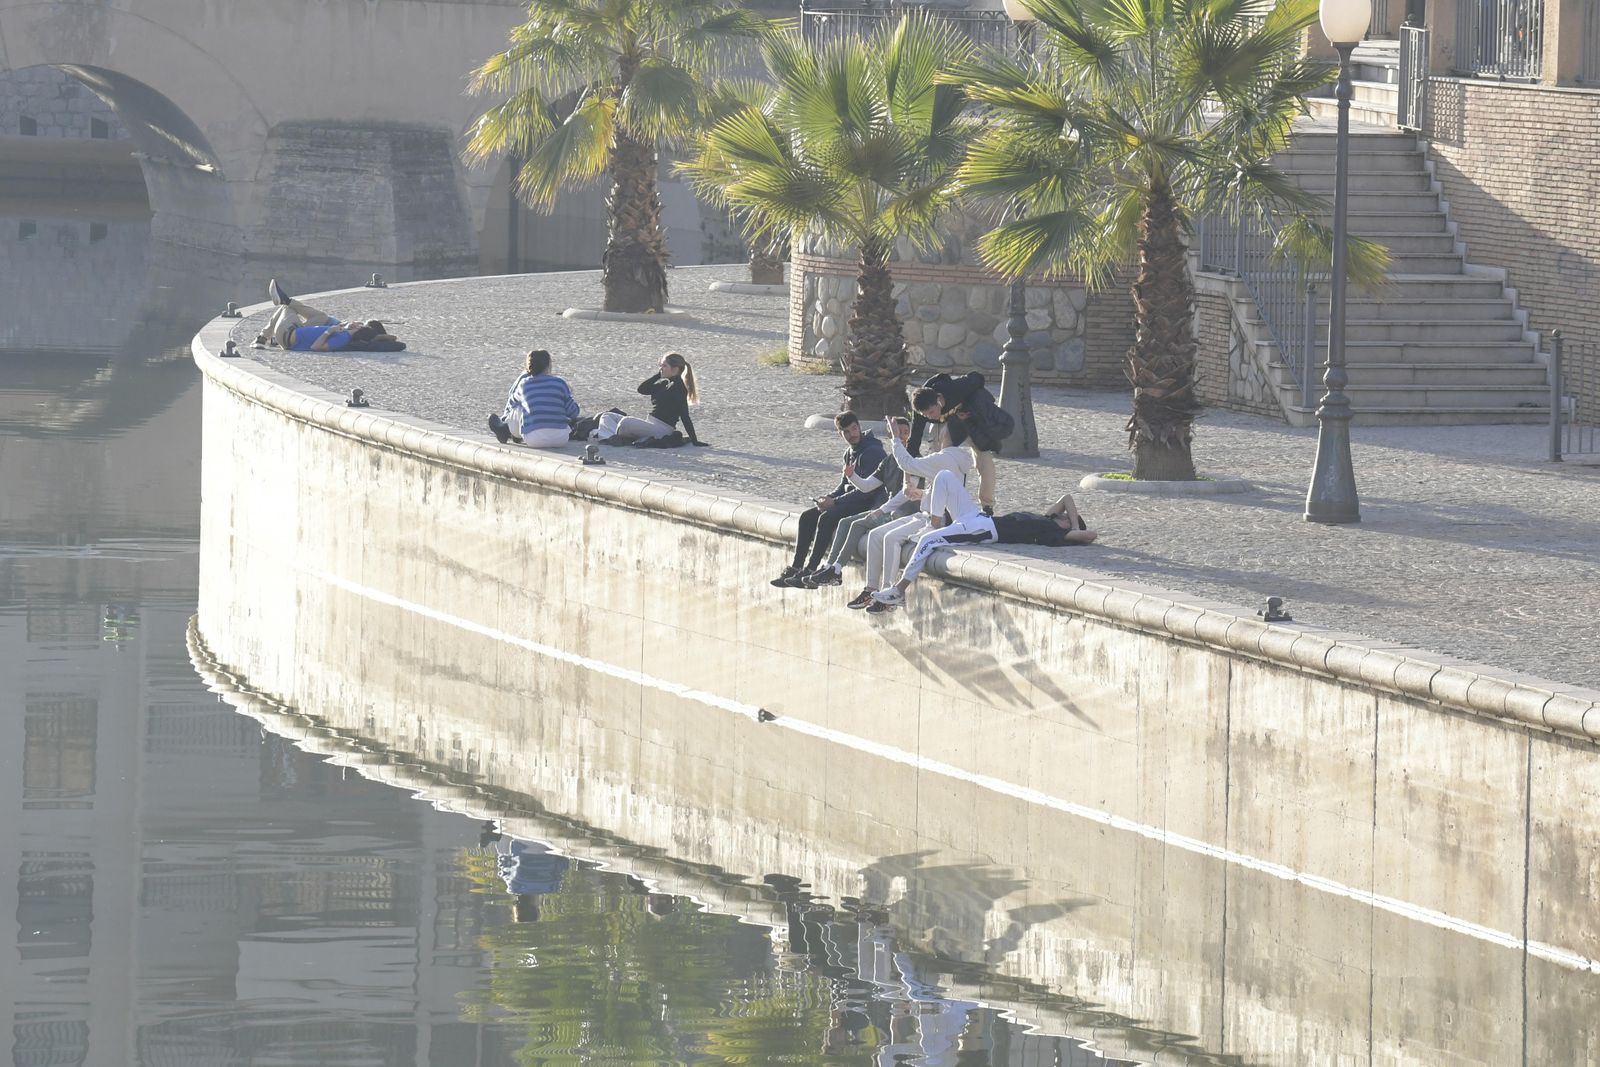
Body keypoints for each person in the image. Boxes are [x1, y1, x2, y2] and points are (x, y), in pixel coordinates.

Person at [867, 470, 1097, 613]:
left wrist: (1074, 526)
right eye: (1065, 515)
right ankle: (935, 521)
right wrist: (1067, 519)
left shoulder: (1055, 535)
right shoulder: (1048, 519)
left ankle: (898, 591)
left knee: (927, 541)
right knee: (944, 476)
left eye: (1066, 517)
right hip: (977, 517)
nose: (1064, 515)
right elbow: (1067, 499)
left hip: (984, 530)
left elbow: (1089, 536)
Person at [846, 422, 975, 610]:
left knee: (891, 538)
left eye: (938, 434)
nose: (934, 437)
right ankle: (871, 589)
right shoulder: (951, 459)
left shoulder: (944, 458)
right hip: (925, 512)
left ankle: (891, 594)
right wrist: (921, 494)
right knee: (875, 536)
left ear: (947, 437)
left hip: (937, 519)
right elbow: (940, 491)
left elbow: (907, 464)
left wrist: (895, 438)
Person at [770, 412, 891, 588]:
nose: (852, 434)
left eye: (854, 429)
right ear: (840, 434)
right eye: (847, 432)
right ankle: (796, 567)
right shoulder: (849, 452)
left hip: (866, 503)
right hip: (850, 500)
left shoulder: (872, 451)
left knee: (826, 518)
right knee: (807, 517)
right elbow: (844, 485)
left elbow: (867, 492)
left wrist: (835, 502)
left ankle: (811, 571)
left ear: (859, 426)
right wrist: (828, 498)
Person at [800, 416, 914, 589]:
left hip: (904, 514)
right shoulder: (888, 461)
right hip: (886, 510)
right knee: (846, 523)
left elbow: (906, 493)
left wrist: (881, 509)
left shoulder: (913, 460)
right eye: (896, 433)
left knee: (863, 528)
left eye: (905, 433)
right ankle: (831, 568)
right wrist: (851, 476)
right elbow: (867, 486)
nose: (901, 437)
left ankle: (879, 589)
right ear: (890, 435)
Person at [909, 371, 1012, 513]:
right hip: (943, 425)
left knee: (984, 460)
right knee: (939, 461)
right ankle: (940, 504)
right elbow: (914, 441)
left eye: (931, 412)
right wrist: (908, 476)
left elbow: (978, 377)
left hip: (968, 419)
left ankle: (987, 505)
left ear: (939, 400)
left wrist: (968, 407)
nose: (929, 416)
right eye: (925, 415)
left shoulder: (955, 388)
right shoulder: (921, 412)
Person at [593, 352, 704, 444]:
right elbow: (642, 389)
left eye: (664, 366)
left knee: (626, 421)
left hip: (662, 429)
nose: (661, 369)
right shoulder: (664, 383)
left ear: (675, 369)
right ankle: (611, 438)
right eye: (661, 366)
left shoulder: (679, 388)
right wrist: (657, 376)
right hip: (650, 423)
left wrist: (695, 440)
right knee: (607, 415)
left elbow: (685, 416)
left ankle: (609, 436)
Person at [488, 348, 579, 448]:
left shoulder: (524, 384)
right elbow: (573, 412)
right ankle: (510, 429)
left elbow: (511, 404)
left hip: (534, 439)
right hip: (561, 439)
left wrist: (506, 418)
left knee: (518, 406)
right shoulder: (560, 383)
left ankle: (507, 429)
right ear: (548, 365)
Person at [495, 834, 570, 924]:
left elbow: (563, 862)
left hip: (550, 843)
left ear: (537, 907)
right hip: (521, 840)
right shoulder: (513, 885)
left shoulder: (552, 887)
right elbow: (503, 861)